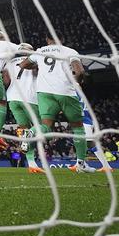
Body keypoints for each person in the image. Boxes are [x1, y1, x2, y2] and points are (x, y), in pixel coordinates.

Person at [20, 35, 91, 173]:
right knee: (78, 127)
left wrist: (38, 65)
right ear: (61, 39)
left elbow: (23, 64)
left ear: (47, 39)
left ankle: (32, 132)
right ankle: (81, 164)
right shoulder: (69, 51)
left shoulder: (40, 51)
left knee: (46, 126)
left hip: (44, 93)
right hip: (65, 91)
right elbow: (80, 70)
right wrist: (77, 82)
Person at [3, 43, 42, 172]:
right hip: (29, 97)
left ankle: (32, 164)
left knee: (24, 130)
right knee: (42, 125)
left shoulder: (9, 63)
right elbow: (39, 73)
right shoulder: (35, 58)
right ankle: (30, 135)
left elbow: (6, 82)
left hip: (13, 98)